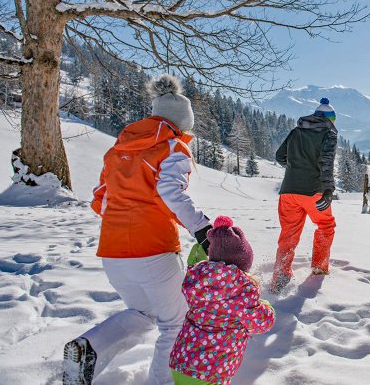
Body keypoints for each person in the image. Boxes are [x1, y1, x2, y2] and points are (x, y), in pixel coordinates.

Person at [63, 75, 212, 385]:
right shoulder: (172, 145)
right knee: (176, 323)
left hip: (113, 251)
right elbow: (171, 191)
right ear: (180, 123)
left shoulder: (118, 149)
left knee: (143, 314)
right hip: (153, 249)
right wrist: (202, 228)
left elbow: (100, 198)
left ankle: (90, 348)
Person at [170, 216, 275, 385]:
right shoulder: (242, 292)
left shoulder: (198, 280)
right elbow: (263, 323)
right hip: (211, 372)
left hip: (181, 363)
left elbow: (195, 264)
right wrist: (266, 306)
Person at [269, 98, 338, 294]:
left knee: (288, 234)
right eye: (333, 118)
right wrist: (328, 190)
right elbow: (326, 161)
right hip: (314, 191)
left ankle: (280, 276)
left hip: (288, 191)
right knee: (325, 226)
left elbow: (280, 156)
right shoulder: (329, 134)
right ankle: (318, 268)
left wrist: (295, 170)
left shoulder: (295, 131)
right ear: (328, 118)